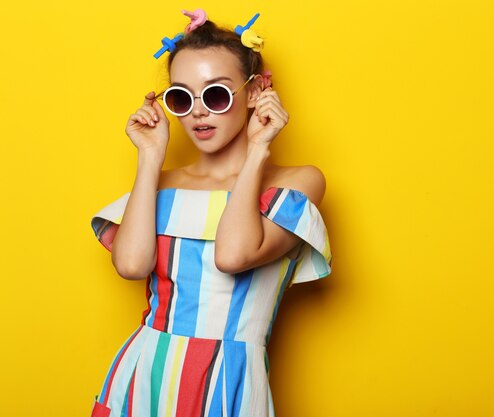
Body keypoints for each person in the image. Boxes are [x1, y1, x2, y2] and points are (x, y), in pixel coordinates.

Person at [89, 10, 332, 417]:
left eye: (216, 94)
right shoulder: (161, 184)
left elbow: (233, 255)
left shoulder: (298, 182)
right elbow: (131, 265)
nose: (198, 112)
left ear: (256, 92)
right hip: (145, 371)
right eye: (181, 98)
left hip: (229, 375)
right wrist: (149, 158)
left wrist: (258, 149)